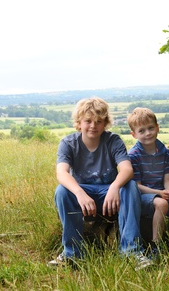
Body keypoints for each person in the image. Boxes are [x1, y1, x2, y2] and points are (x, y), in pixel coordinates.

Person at [48, 97, 152, 270]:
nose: (93, 126)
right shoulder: (68, 143)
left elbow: (127, 169)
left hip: (109, 195)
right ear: (79, 122)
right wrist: (80, 193)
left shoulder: (113, 140)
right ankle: (72, 254)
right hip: (83, 195)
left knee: (130, 186)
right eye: (88, 121)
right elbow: (62, 172)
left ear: (105, 123)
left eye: (98, 121)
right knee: (62, 191)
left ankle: (132, 252)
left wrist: (114, 186)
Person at [127, 107, 169, 254]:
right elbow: (136, 186)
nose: (148, 133)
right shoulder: (133, 155)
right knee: (162, 203)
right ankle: (156, 246)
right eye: (142, 131)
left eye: (151, 128)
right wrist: (160, 193)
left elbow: (167, 180)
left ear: (157, 128)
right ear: (134, 134)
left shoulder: (165, 152)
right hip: (143, 197)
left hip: (162, 193)